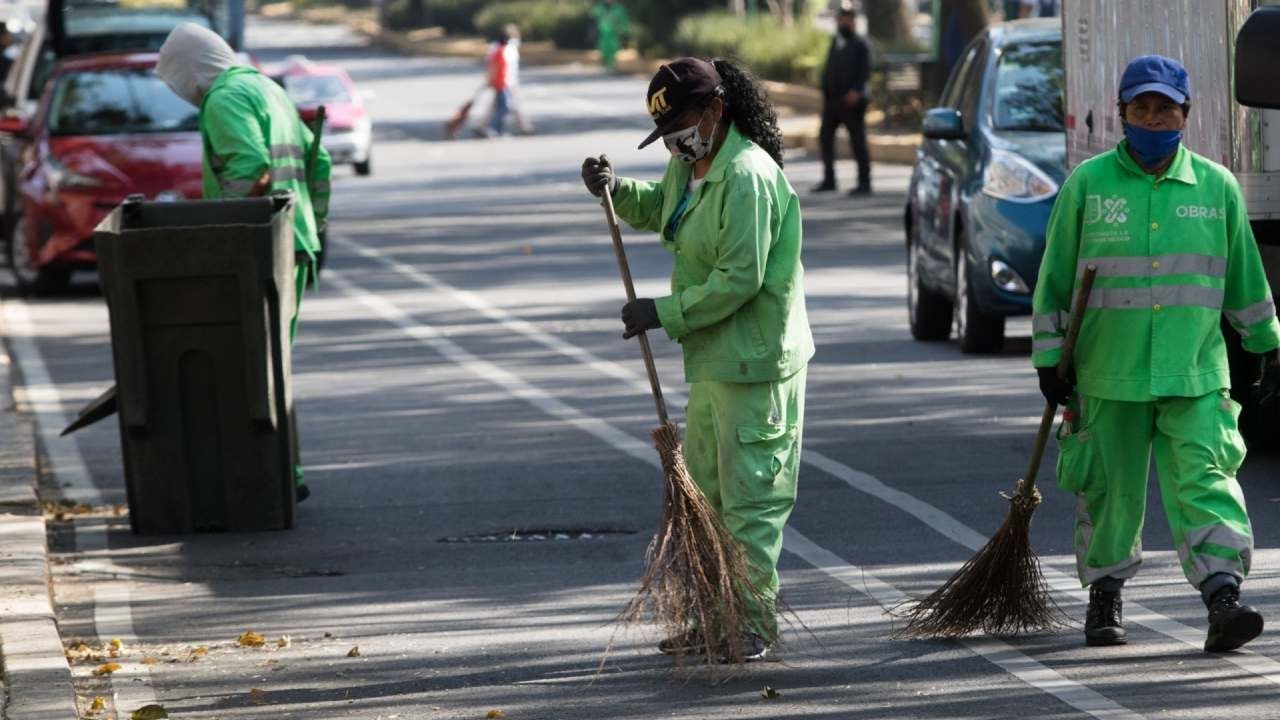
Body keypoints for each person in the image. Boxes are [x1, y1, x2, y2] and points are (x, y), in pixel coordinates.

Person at [1033, 54, 1280, 652]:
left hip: (1194, 373)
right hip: (1107, 373)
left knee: (1206, 482)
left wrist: (1261, 346)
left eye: (1165, 107)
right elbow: (1056, 278)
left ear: (1185, 114)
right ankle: (1106, 594)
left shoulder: (1216, 187)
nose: (1153, 117)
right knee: (1109, 492)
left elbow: (1245, 279)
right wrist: (1048, 359)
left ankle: (1224, 595)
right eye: (1141, 107)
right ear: (1122, 114)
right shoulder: (1088, 185)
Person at [580, 57, 814, 662]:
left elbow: (741, 279)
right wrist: (614, 189)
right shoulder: (689, 166)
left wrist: (664, 312)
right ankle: (715, 621)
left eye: (682, 124)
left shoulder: (749, 177)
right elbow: (663, 209)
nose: (676, 141)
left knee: (751, 505)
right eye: (666, 133)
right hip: (712, 365)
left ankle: (752, 624)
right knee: (708, 502)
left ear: (715, 111)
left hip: (757, 368)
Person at [156, 23, 332, 502]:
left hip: (255, 245)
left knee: (256, 365)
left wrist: (223, 233)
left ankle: (275, 473)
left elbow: (250, 168)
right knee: (272, 360)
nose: (187, 95)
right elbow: (321, 163)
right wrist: (313, 226)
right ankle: (283, 470)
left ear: (192, 71)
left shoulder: (226, 98)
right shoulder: (266, 88)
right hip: (290, 239)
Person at [813, 6, 872, 196]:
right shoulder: (835, 42)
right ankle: (829, 179)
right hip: (833, 102)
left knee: (858, 142)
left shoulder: (861, 44)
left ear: (854, 22)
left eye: (848, 19)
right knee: (825, 138)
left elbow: (866, 71)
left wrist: (856, 91)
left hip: (852, 102)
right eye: (842, 19)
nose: (844, 23)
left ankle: (864, 182)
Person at [589, 0, 630, 73]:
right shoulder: (600, 7)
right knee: (603, 48)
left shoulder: (619, 8)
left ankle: (611, 65)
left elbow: (624, 22)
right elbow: (592, 14)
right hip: (603, 33)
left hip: (614, 33)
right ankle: (606, 65)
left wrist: (625, 32)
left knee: (613, 48)